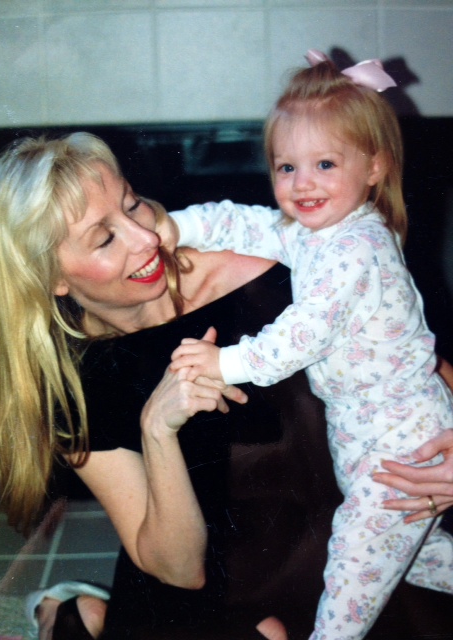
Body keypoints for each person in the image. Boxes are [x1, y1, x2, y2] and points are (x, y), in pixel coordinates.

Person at [0, 133, 452, 640]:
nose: (146, 238)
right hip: (213, 589)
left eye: (133, 204)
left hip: (358, 548)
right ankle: (69, 613)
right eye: (104, 239)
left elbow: (418, 364)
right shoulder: (76, 383)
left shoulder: (270, 269)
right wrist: (156, 431)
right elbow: (177, 570)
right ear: (52, 277)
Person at [168, 51, 453, 639]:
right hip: (368, 435)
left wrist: (225, 362)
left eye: (325, 163)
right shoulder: (316, 232)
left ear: (374, 166)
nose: (303, 184)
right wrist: (175, 227)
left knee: (350, 578)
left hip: (398, 441)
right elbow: (245, 224)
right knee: (418, 558)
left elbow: (303, 333)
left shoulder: (356, 248)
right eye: (286, 167)